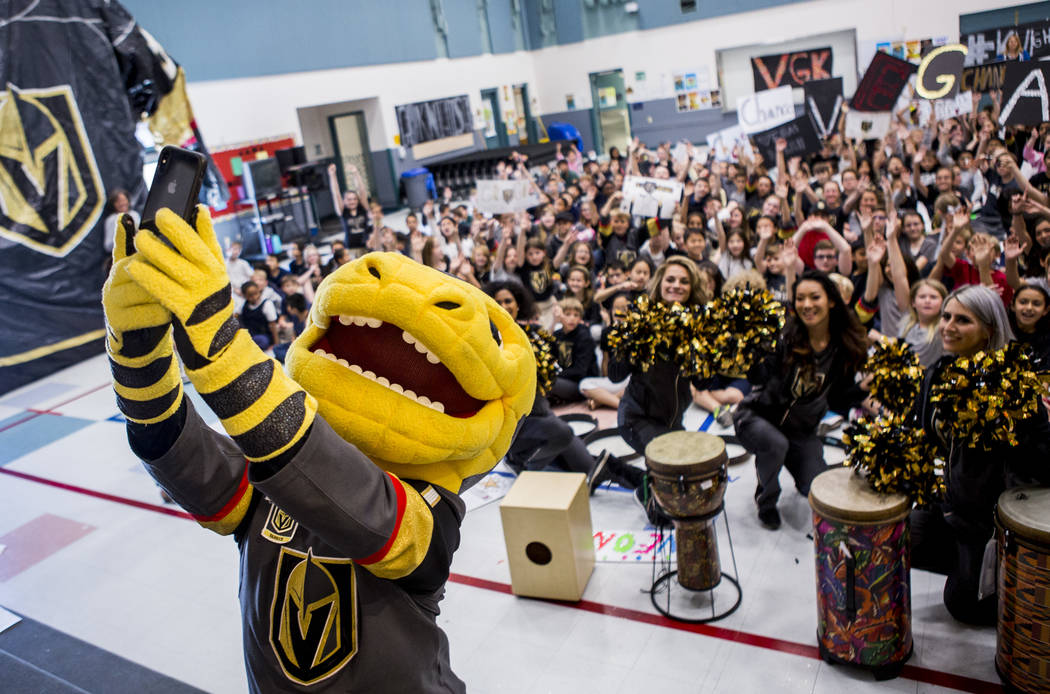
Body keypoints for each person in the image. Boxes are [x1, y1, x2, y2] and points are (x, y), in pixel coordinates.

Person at [912, 285, 1050, 625]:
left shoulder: (1016, 385)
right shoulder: (938, 373)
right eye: (946, 317)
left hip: (990, 522)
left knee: (962, 606)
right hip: (949, 505)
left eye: (963, 320)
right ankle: (964, 562)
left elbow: (1043, 462)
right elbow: (921, 434)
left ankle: (997, 569)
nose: (948, 326)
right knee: (894, 537)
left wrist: (1007, 429)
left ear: (989, 329)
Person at [733, 271, 868, 529]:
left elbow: (838, 400)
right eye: (800, 298)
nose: (807, 305)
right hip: (757, 418)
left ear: (830, 301)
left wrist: (863, 387)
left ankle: (794, 466)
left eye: (814, 297)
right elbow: (759, 376)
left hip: (802, 431)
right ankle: (767, 499)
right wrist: (751, 352)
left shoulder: (843, 345)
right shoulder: (785, 336)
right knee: (775, 444)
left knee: (816, 488)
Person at [592, 257, 711, 500]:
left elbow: (703, 382)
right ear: (659, 283)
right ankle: (638, 487)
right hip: (637, 418)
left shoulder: (696, 325)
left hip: (672, 421)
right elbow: (615, 376)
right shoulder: (641, 319)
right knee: (668, 504)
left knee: (687, 482)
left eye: (684, 281)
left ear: (692, 288)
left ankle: (611, 467)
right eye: (670, 279)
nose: (676, 285)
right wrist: (626, 341)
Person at [484, 280, 605, 478]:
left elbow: (548, 363)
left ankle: (537, 458)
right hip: (515, 421)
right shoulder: (488, 340)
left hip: (542, 411)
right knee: (562, 432)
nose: (504, 306)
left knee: (588, 471)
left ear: (518, 304)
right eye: (498, 302)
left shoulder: (532, 333)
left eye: (508, 301)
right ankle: (519, 462)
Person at [550, 298, 598, 403]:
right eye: (567, 314)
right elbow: (548, 355)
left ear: (580, 318)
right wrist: (554, 322)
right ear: (560, 316)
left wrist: (555, 375)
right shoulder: (557, 334)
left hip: (580, 384)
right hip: (563, 379)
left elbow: (579, 371)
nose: (572, 318)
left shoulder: (584, 337)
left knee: (550, 382)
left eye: (576, 315)